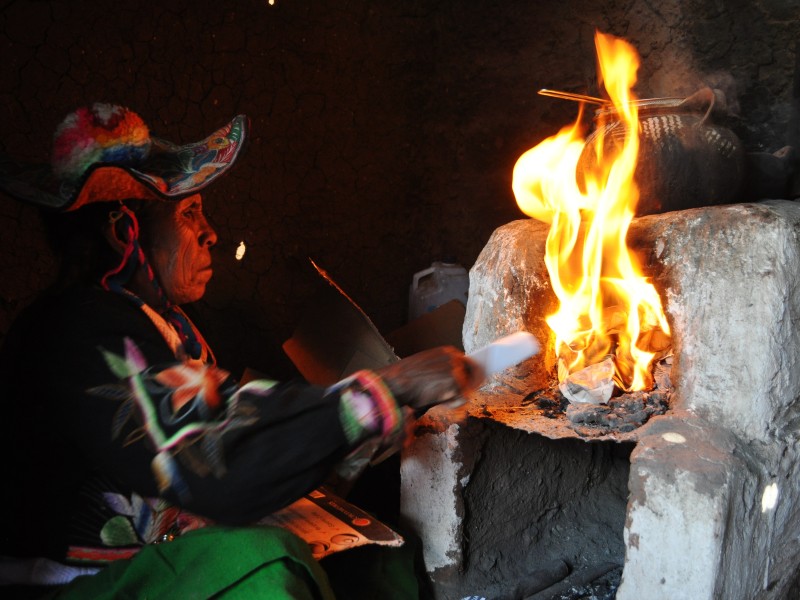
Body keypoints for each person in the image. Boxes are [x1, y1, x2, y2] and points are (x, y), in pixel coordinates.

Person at [0, 103, 482, 598]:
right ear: (124, 231)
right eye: (189, 214)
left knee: (380, 565)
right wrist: (382, 390)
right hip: (78, 587)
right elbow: (208, 457)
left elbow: (241, 418)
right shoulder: (77, 332)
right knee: (263, 560)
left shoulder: (160, 325)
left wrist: (369, 423)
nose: (211, 233)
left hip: (159, 560)